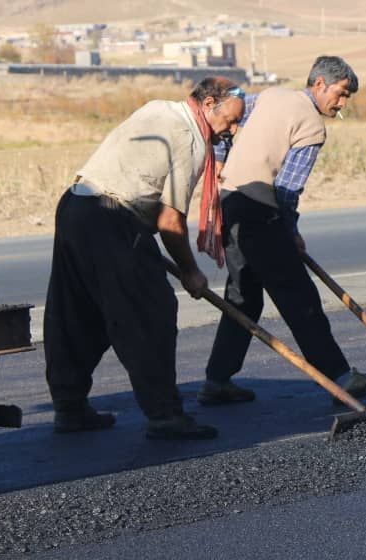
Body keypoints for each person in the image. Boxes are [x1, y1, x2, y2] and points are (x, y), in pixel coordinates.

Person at [43, 76, 245, 439]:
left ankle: (69, 407)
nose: (231, 130)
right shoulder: (191, 139)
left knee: (77, 312)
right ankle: (165, 415)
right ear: (210, 103)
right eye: (230, 120)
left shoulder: (159, 107)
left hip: (75, 205)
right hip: (110, 216)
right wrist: (190, 272)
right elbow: (170, 221)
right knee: (150, 311)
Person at [198, 56, 366, 406]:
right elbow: (287, 191)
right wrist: (290, 232)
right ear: (319, 84)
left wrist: (223, 161)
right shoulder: (312, 126)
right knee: (298, 295)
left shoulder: (268, 96)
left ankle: (218, 380)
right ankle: (341, 378)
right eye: (342, 93)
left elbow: (223, 119)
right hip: (259, 212)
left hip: (230, 206)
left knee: (244, 296)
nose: (343, 102)